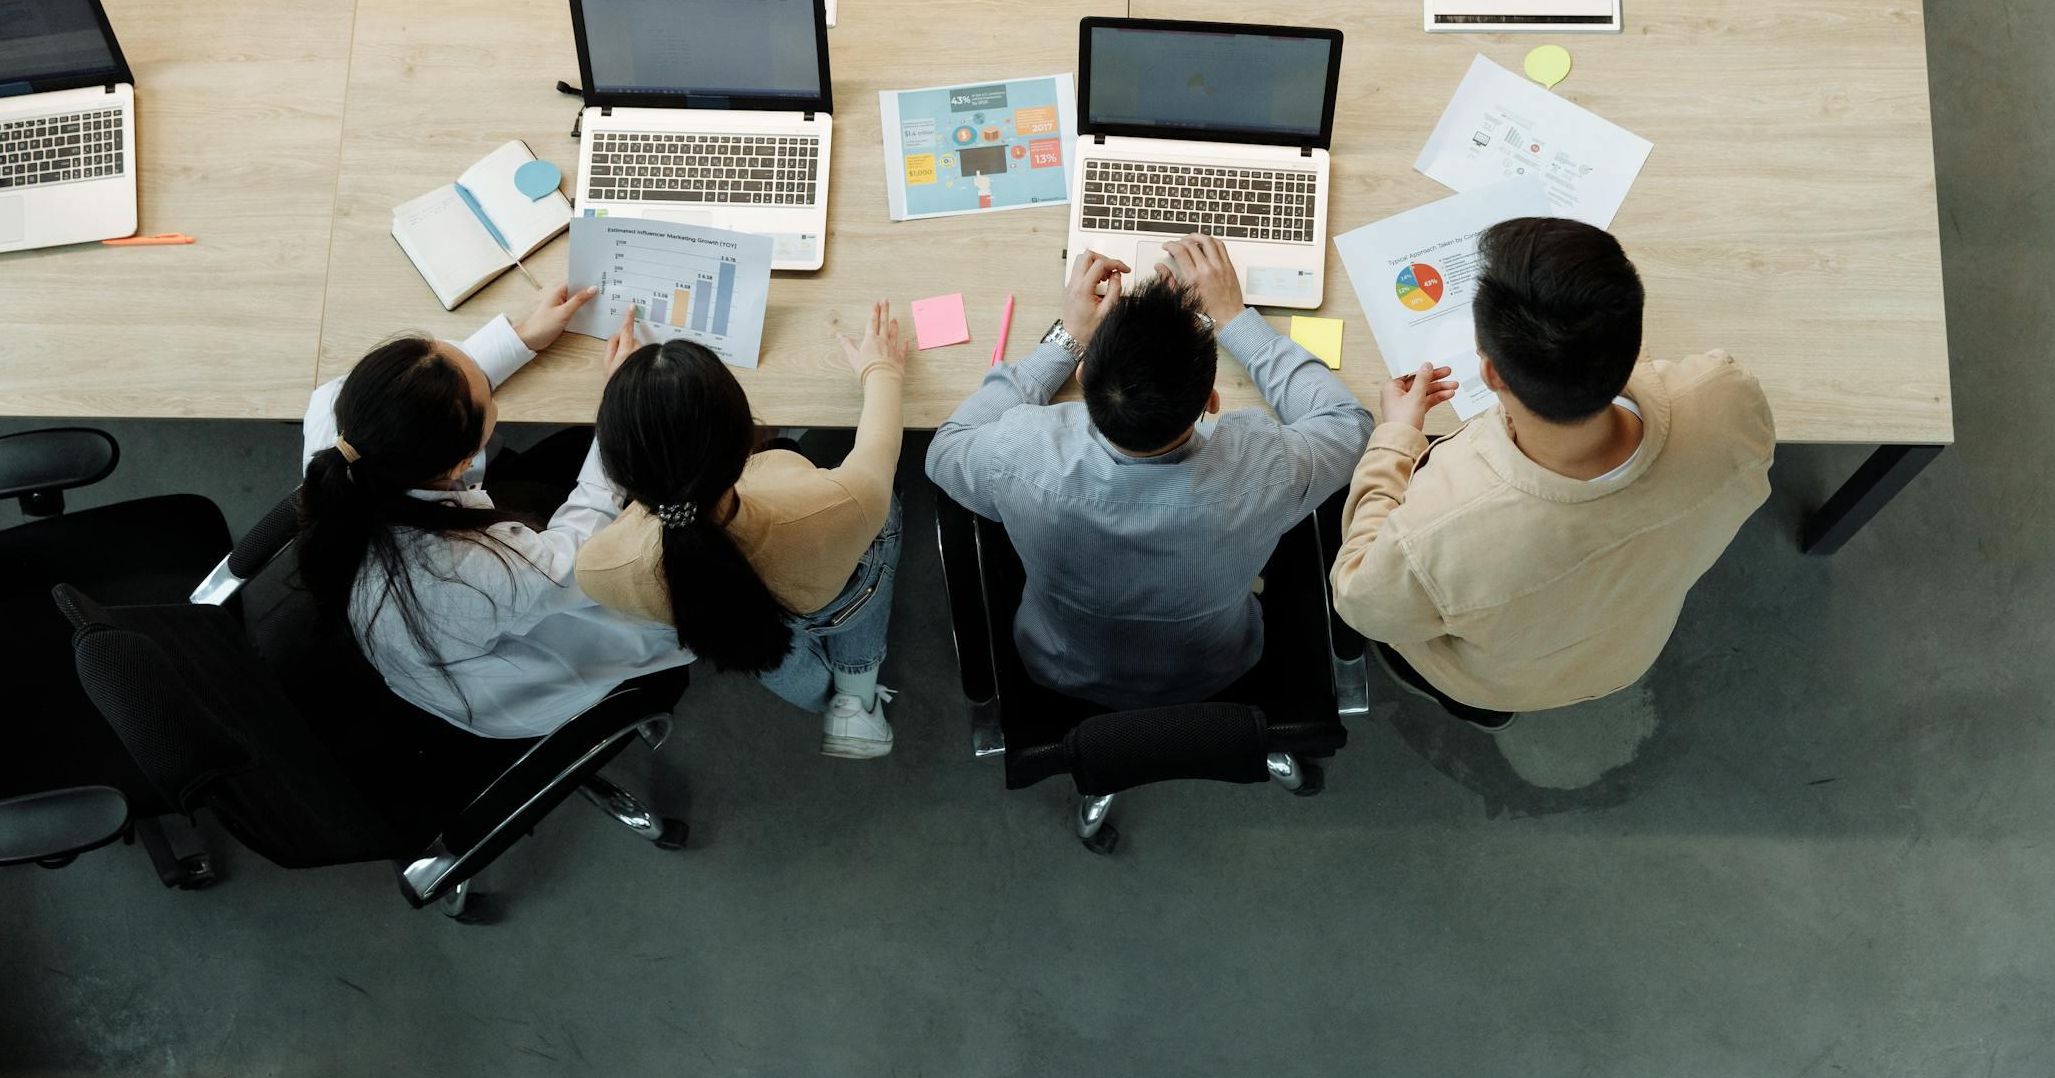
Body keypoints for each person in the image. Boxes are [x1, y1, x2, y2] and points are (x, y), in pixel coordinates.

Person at [1331, 217, 1777, 731]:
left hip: (1497, 677)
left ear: (1492, 372)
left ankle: (1479, 707)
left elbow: (1360, 601)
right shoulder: (1728, 397)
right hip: (1629, 648)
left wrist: (1398, 436)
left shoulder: (1436, 535)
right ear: (1634, 344)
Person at [926, 235, 1374, 709]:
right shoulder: (1263, 468)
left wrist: (1066, 340)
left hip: (1059, 666)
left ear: (1082, 378)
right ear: (1211, 403)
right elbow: (1349, 426)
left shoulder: (1022, 454)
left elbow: (945, 449)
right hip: (1218, 670)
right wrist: (1235, 319)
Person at [296, 285, 692, 740]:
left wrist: (522, 336)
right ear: (462, 463)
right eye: (487, 398)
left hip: (432, 632)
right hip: (495, 690)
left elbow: (416, 389)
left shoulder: (340, 421)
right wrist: (620, 410)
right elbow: (580, 552)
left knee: (564, 456)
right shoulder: (476, 571)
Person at [577, 302, 907, 759]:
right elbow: (878, 452)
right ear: (748, 444)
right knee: (882, 512)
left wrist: (628, 406)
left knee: (758, 645)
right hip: (822, 585)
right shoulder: (829, 506)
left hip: (725, 617)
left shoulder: (598, 567)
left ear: (616, 466)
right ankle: (856, 695)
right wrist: (881, 369)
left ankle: (822, 699)